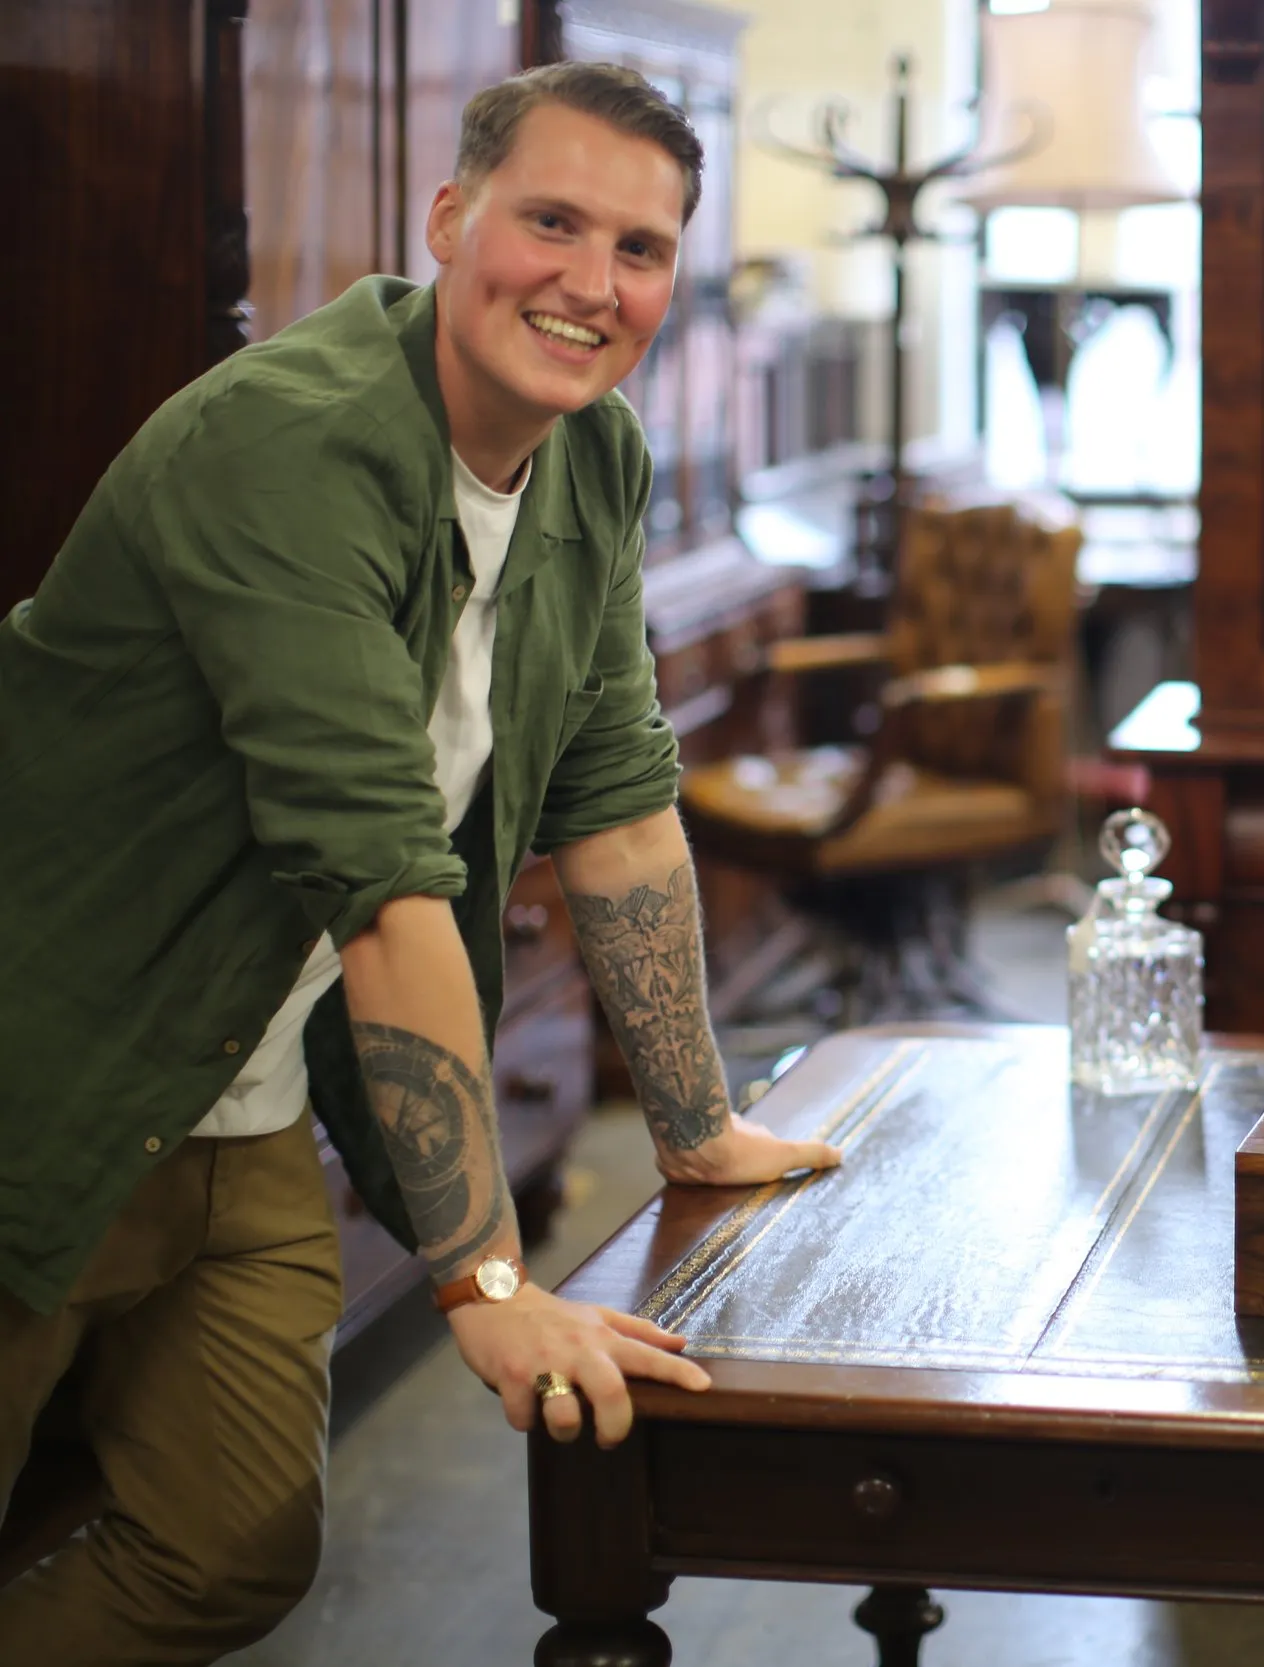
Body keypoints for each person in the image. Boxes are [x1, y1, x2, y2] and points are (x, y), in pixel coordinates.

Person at [0, 61, 838, 1662]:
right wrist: (484, 1280)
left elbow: (615, 798)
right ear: (450, 220)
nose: (593, 285)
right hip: (42, 1070)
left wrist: (696, 1120)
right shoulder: (290, 448)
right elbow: (382, 883)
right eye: (551, 222)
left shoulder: (594, 464)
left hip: (240, 1098)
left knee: (229, 1546)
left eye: (643, 249)